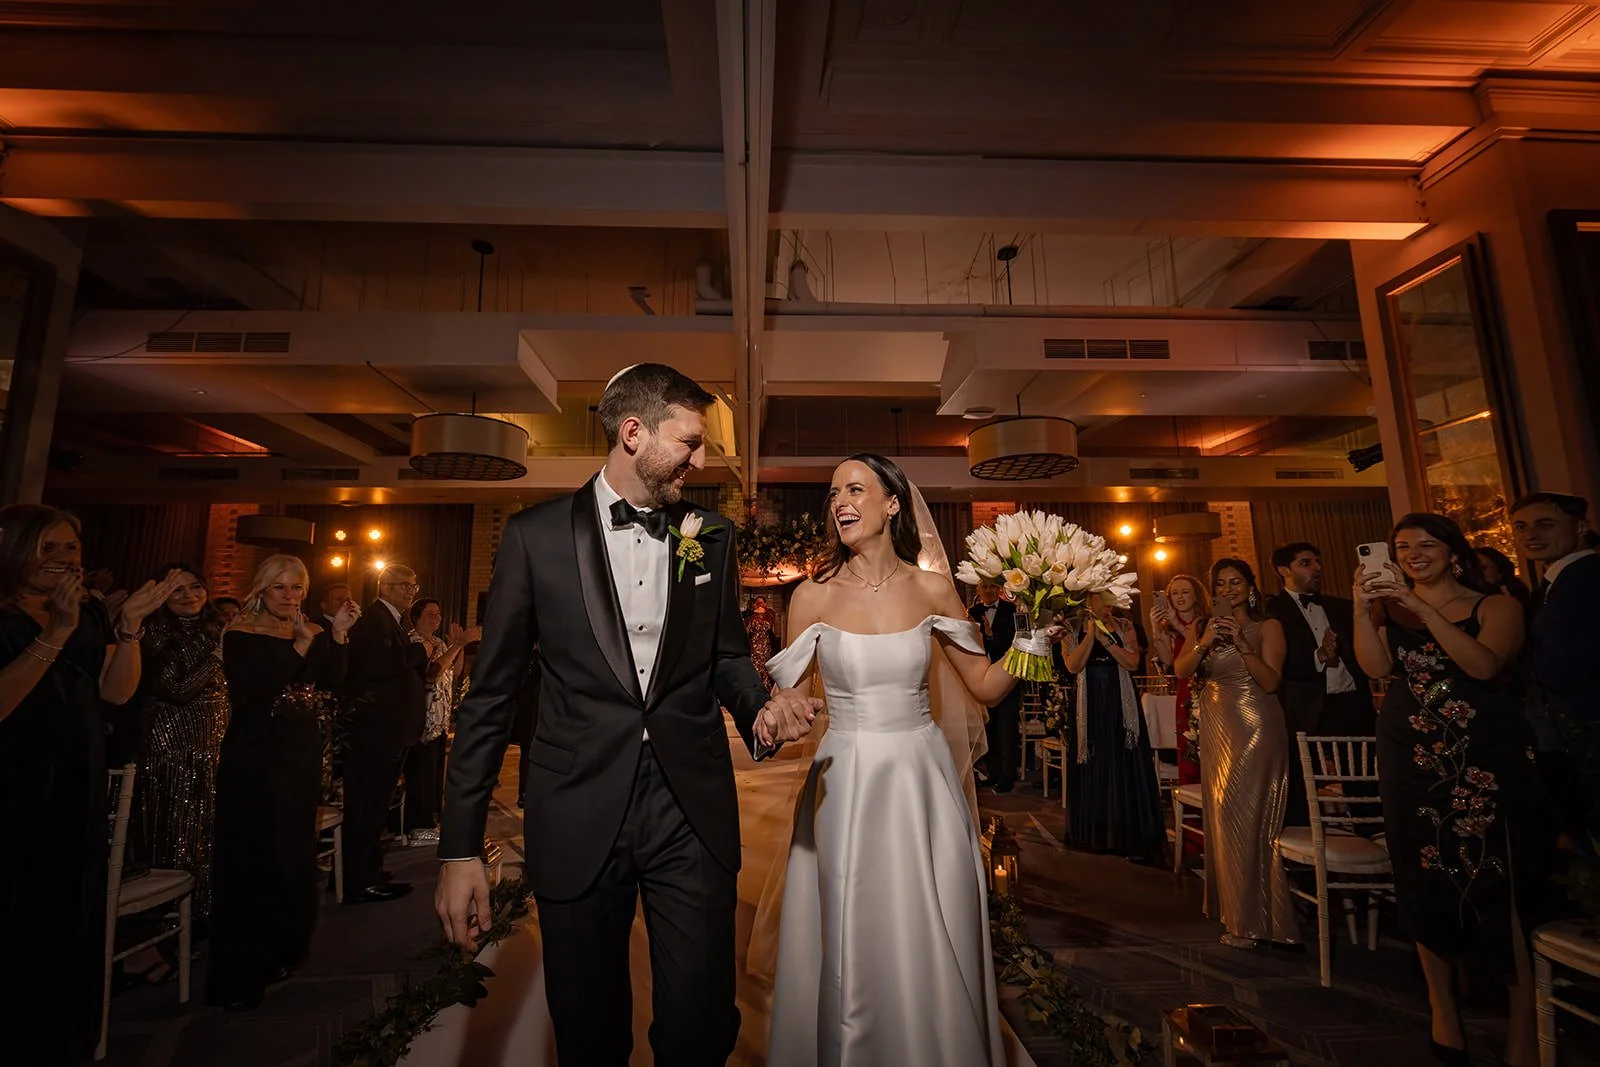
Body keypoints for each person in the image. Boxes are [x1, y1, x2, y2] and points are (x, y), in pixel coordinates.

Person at [435, 363, 819, 1067]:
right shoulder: (534, 537)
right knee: (588, 1032)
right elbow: (490, 698)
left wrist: (763, 711)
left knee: (702, 1024)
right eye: (691, 441)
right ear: (633, 433)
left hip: (689, 809)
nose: (702, 460)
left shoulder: (711, 533)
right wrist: (461, 848)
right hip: (577, 804)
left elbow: (727, 658)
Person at [759, 453, 1054, 1067]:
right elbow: (790, 701)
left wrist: (1034, 633)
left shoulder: (932, 589)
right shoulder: (810, 598)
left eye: (856, 488)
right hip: (845, 784)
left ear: (892, 505)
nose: (840, 499)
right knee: (852, 929)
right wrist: (781, 714)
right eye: (834, 489)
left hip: (922, 779)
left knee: (932, 920)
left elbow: (986, 687)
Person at [1352, 513, 1549, 1067]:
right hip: (1410, 754)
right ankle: (1444, 1010)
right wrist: (1363, 609)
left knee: (1499, 879)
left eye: (1424, 544)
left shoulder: (1497, 606)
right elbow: (1373, 667)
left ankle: (1523, 1025)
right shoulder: (1386, 606)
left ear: (1453, 552)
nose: (1413, 554)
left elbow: (1483, 666)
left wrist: (1421, 609)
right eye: (1401, 547)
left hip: (1483, 754)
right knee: (1423, 873)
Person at [0, 506, 177, 1064]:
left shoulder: (88, 612)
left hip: (76, 781)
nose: (63, 560)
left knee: (69, 920)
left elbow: (117, 694)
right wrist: (55, 631)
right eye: (48, 548)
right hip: (14, 787)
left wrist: (127, 630)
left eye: (71, 549)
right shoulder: (7, 618)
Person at [207, 555, 355, 1011]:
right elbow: (259, 686)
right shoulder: (240, 632)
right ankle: (241, 969)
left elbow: (333, 681)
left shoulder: (305, 628)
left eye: (297, 589)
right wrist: (301, 645)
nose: (291, 597)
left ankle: (282, 948)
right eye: (281, 589)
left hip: (300, 753)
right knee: (254, 853)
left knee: (292, 850)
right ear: (261, 590)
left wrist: (339, 636)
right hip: (257, 756)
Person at [1175, 558, 1300, 950]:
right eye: (1222, 584)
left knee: (1251, 818)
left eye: (1236, 583)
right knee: (1224, 814)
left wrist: (1244, 645)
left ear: (1250, 586)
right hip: (1216, 725)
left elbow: (1270, 681)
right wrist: (1205, 640)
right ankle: (1236, 910)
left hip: (1255, 724)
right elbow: (1181, 671)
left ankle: (1260, 919)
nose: (1229, 590)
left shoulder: (1269, 627)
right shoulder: (1202, 627)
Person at [134, 564, 230, 929]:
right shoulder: (154, 634)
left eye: (195, 587)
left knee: (209, 829)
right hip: (173, 745)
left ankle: (205, 914)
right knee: (176, 831)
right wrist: (219, 655)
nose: (190, 595)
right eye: (177, 590)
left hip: (215, 742)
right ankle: (168, 923)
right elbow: (177, 690)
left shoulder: (214, 628)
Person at [1265, 541, 1374, 826]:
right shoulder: (1271, 612)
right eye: (1306, 563)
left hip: (1351, 702)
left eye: (1317, 561)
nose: (1316, 568)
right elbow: (1278, 663)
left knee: (1364, 777)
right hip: (1304, 706)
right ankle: (1304, 850)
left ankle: (1373, 839)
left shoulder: (1344, 608)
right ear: (1283, 570)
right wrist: (1319, 655)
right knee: (1300, 782)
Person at [1513, 491, 1599, 841]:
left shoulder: (1587, 577)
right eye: (1521, 527)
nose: (1530, 535)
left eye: (1545, 525)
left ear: (1581, 527)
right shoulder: (1554, 582)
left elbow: (1568, 661)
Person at [341, 563, 428, 903]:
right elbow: (379, 666)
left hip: (388, 730)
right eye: (404, 585)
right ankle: (360, 880)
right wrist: (421, 650)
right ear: (385, 586)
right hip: (375, 732)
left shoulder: (390, 619)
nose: (410, 592)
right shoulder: (375, 620)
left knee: (376, 807)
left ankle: (369, 869)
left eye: (413, 586)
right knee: (367, 808)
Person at [1061, 594, 1163, 859]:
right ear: (1089, 600)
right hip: (1089, 701)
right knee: (1094, 760)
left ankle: (1126, 831)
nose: (1107, 605)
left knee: (1121, 761)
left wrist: (1106, 640)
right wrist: (1091, 635)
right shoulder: (1072, 627)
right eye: (1101, 599)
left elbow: (1132, 662)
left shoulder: (1124, 626)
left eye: (1110, 599)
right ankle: (1094, 833)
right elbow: (1073, 665)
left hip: (1120, 700)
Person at [1148, 574, 1207, 785]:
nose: (1180, 597)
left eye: (1185, 592)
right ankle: (1192, 810)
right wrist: (1157, 628)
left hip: (1207, 684)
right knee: (1188, 743)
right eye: (1174, 593)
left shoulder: (1205, 621)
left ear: (1196, 596)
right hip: (1185, 689)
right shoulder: (1168, 626)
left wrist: (1178, 625)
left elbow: (1203, 648)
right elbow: (1168, 661)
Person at [969, 576, 1020, 791]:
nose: (988, 590)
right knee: (988, 726)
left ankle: (1008, 776)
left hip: (1006, 676)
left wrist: (989, 634)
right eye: (984, 586)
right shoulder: (972, 613)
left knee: (1006, 728)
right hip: (979, 677)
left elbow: (1013, 645)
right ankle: (994, 772)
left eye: (992, 587)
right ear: (979, 589)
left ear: (999, 589)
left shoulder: (1011, 611)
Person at [744, 593, 779, 688]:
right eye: (757, 602)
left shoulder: (768, 616)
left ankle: (765, 689)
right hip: (755, 648)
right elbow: (746, 633)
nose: (759, 604)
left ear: (765, 604)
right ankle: (758, 688)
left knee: (765, 669)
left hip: (765, 647)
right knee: (756, 669)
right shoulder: (751, 618)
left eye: (761, 602)